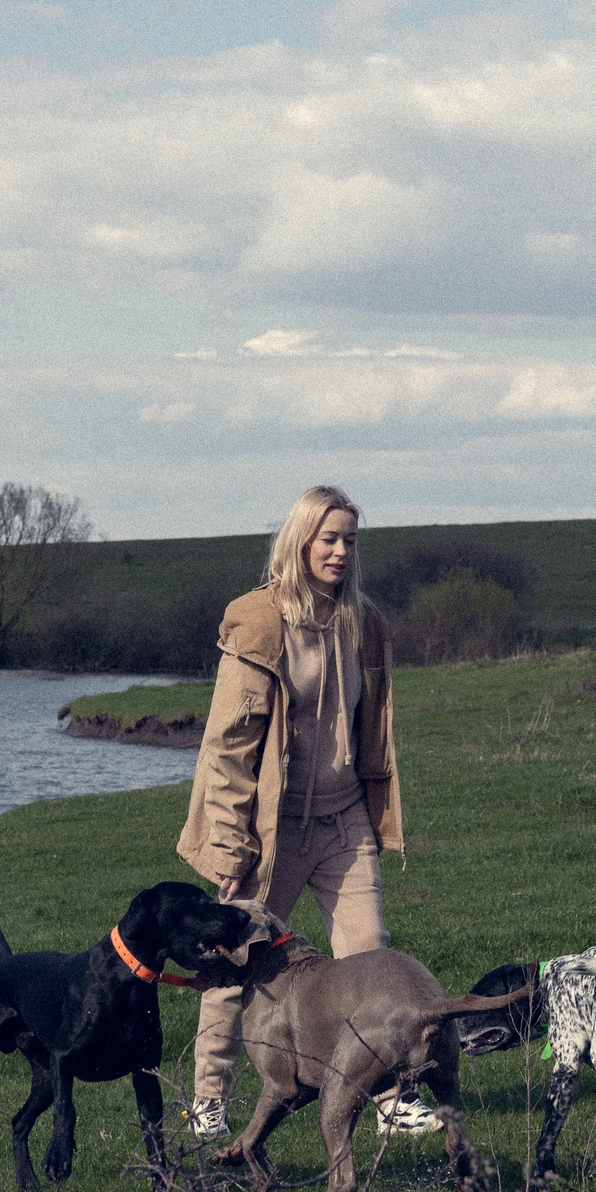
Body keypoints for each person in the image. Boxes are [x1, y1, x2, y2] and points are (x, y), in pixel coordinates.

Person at [177, 485, 440, 1139]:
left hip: (344, 820)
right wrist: (231, 846)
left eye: (350, 539)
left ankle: (391, 1098)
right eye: (329, 538)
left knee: (370, 957)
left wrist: (375, 816)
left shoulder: (363, 623)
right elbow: (229, 745)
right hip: (274, 830)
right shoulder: (260, 622)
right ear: (300, 541)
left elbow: (370, 727)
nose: (341, 551)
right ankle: (208, 1103)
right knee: (235, 963)